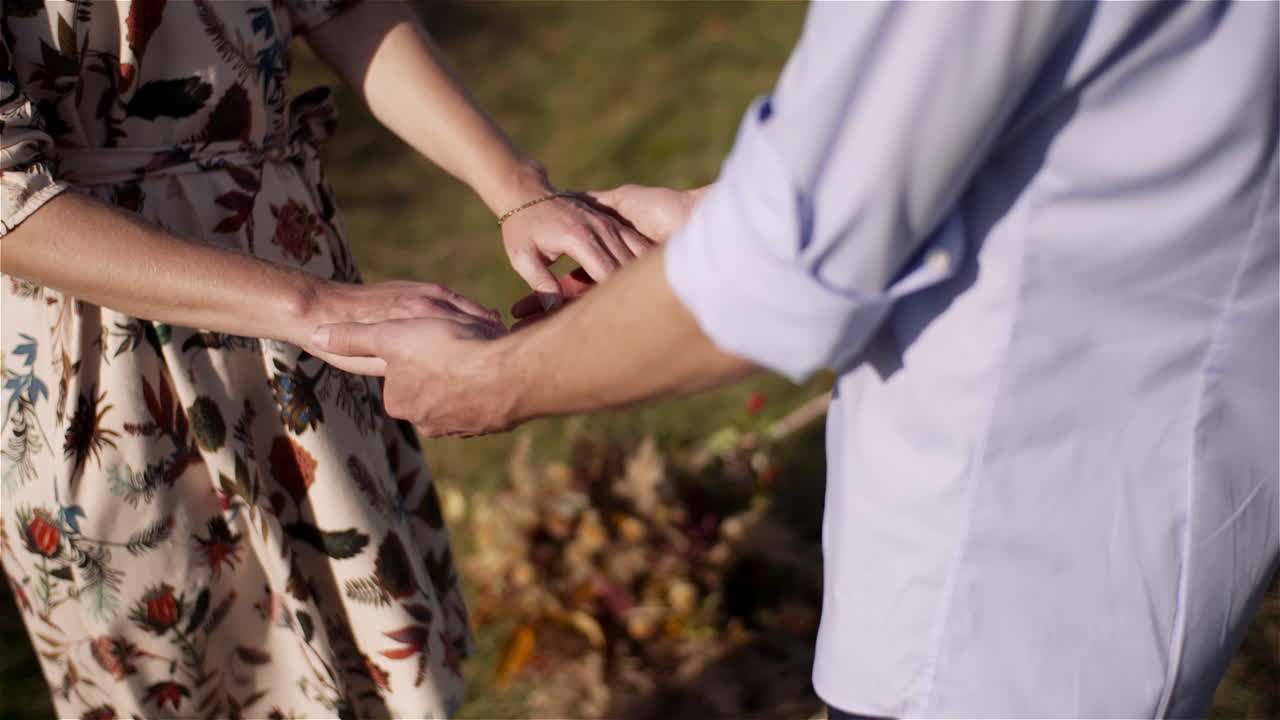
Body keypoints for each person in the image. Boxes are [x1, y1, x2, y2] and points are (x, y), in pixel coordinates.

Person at [315, 1, 1279, 717]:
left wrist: (491, 381)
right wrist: (710, 220)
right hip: (1152, 503)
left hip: (1000, 581)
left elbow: (783, 278)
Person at [0, 1, 649, 718]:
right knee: (198, 673)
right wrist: (314, 308)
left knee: (372, 651)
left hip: (294, 271)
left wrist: (518, 189)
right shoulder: (310, 310)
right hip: (104, 357)